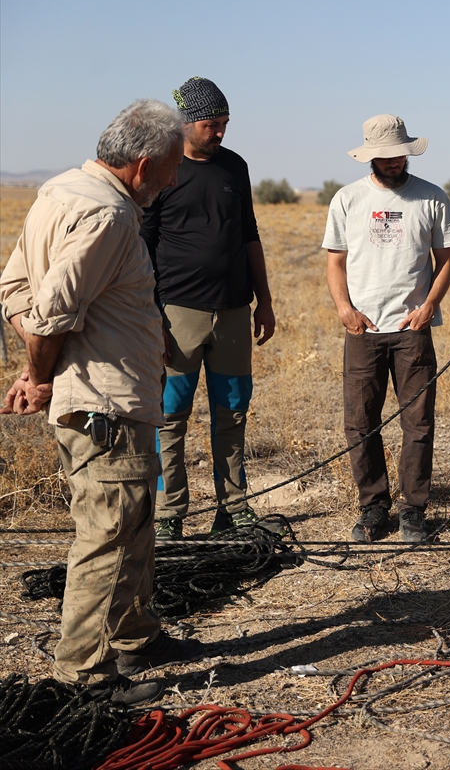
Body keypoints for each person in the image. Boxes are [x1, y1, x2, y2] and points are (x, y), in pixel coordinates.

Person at [0, 100, 205, 705]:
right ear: (142, 165)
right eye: (169, 169)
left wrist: (41, 360)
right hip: (103, 404)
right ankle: (85, 676)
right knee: (108, 535)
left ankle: (136, 635)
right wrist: (39, 374)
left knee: (134, 524)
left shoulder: (61, 191)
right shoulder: (109, 214)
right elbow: (53, 309)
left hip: (115, 399)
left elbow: (13, 287)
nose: (172, 181)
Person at [141, 77, 276, 540]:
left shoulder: (234, 167)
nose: (220, 133)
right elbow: (144, 243)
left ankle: (233, 506)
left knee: (232, 412)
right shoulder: (163, 169)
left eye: (224, 124)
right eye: (211, 125)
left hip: (235, 312)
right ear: (184, 124)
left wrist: (265, 301)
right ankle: (169, 514)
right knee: (170, 416)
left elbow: (249, 234)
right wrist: (151, 314)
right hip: (177, 314)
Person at [323, 115, 450, 542]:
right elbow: (335, 262)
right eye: (385, 156)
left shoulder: (432, 198)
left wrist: (430, 306)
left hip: (412, 327)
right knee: (360, 421)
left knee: (417, 422)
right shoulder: (347, 199)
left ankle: (413, 509)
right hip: (362, 330)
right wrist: (344, 308)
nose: (394, 162)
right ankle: (373, 507)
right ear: (370, 156)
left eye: (399, 154)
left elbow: (446, 262)